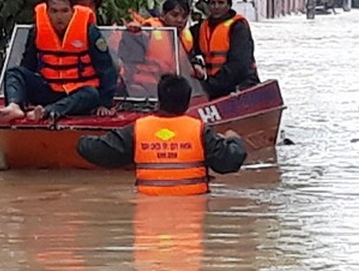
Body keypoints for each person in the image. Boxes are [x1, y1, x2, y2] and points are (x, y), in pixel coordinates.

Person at [77, 74, 246, 195]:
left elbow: (96, 151)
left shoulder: (138, 130)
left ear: (159, 99)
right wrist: (233, 139)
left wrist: (81, 141)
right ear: (187, 102)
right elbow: (230, 161)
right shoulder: (200, 131)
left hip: (148, 213)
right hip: (192, 212)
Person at [0, 0, 118, 122]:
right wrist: (25, 93)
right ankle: (14, 106)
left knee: (91, 94)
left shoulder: (90, 31)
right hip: (49, 89)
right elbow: (28, 65)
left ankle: (47, 111)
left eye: (64, 11)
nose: (59, 17)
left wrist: (105, 103)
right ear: (47, 12)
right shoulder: (36, 31)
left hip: (78, 92)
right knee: (14, 72)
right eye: (54, 11)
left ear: (72, 11)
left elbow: (107, 69)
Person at [190, 0, 260, 99]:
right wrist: (195, 64)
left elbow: (239, 63)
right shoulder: (200, 28)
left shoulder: (238, 27)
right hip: (211, 84)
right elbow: (188, 48)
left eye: (220, 3)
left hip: (240, 83)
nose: (216, 7)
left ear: (229, 5)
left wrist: (213, 84)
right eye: (213, 3)